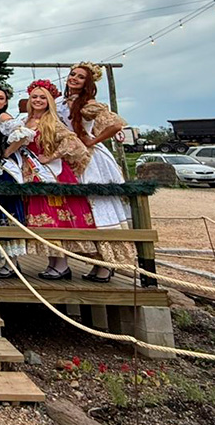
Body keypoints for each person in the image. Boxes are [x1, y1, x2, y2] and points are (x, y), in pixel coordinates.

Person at [61, 63, 135, 281]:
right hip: (70, 156)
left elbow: (115, 124)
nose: (74, 78)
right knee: (82, 209)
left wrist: (93, 140)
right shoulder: (63, 102)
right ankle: (96, 260)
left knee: (99, 207)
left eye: (80, 77)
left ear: (88, 83)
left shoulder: (89, 104)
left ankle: (107, 262)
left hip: (91, 160)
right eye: (72, 75)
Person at [20, 80, 100, 280]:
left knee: (57, 217)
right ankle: (52, 261)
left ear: (49, 101)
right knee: (44, 219)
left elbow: (73, 143)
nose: (38, 101)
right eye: (35, 97)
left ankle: (62, 263)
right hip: (33, 175)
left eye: (42, 98)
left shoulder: (52, 121)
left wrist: (51, 156)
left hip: (52, 175)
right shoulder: (24, 122)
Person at [0, 81, 31, 279]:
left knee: (6, 212)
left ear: (6, 101)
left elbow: (22, 135)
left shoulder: (3, 117)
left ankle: (13, 263)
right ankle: (6, 261)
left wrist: (5, 153)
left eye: (1, 98)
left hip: (3, 171)